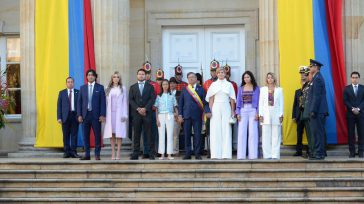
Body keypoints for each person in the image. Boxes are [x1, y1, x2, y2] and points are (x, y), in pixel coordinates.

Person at [178, 72, 211, 160]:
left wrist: (207, 111)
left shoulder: (202, 90)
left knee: (197, 135)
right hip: (186, 115)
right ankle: (187, 153)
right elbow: (180, 103)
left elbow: (205, 103)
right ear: (187, 79)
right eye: (189, 77)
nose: (191, 79)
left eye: (193, 77)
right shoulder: (185, 90)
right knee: (187, 135)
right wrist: (180, 115)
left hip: (197, 116)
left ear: (196, 79)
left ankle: (197, 153)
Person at [206, 68, 236, 159]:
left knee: (226, 129)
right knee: (215, 130)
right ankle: (215, 154)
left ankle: (226, 154)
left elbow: (232, 99)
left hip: (226, 106)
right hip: (216, 107)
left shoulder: (229, 85)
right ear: (217, 74)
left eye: (222, 72)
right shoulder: (213, 85)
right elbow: (211, 99)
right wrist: (210, 111)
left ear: (225, 73)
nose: (220, 74)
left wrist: (232, 111)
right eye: (219, 72)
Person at [77, 69, 106, 160]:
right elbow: (79, 103)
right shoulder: (82, 88)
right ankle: (87, 154)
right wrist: (79, 115)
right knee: (85, 136)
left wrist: (102, 114)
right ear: (86, 77)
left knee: (97, 136)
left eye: (92, 75)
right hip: (85, 116)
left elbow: (103, 102)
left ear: (95, 77)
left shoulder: (100, 87)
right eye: (89, 75)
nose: (90, 76)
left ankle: (97, 154)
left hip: (96, 116)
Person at [129, 68, 156, 160]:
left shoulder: (150, 87)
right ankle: (135, 153)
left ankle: (151, 153)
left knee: (149, 134)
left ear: (145, 76)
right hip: (136, 114)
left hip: (147, 113)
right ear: (137, 75)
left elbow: (152, 99)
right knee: (136, 134)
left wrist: (145, 108)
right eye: (139, 74)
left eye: (143, 74)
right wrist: (138, 108)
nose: (141, 75)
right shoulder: (132, 87)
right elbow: (131, 100)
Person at [103, 71, 128, 160]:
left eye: (117, 77)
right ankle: (113, 152)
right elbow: (105, 103)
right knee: (112, 133)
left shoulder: (123, 88)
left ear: (119, 79)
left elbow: (125, 102)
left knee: (119, 133)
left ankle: (118, 153)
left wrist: (125, 114)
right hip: (110, 113)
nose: (116, 78)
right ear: (112, 79)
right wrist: (104, 115)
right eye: (114, 77)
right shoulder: (107, 88)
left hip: (119, 113)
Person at [259, 73, 284, 160]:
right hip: (265, 114)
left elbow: (281, 103)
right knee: (266, 135)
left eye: (271, 77)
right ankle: (267, 155)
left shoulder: (279, 90)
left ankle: (275, 155)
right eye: (268, 78)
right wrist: (260, 114)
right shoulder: (262, 89)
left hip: (276, 113)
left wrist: (281, 114)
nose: (270, 79)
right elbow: (261, 103)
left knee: (276, 135)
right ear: (266, 79)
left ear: (274, 79)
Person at [236, 71, 260, 159]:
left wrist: (258, 112)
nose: (246, 79)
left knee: (253, 132)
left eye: (248, 77)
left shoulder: (256, 88)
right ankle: (241, 155)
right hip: (243, 110)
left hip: (253, 110)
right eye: (244, 77)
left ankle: (253, 155)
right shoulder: (241, 88)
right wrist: (237, 113)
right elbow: (238, 101)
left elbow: (259, 101)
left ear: (251, 78)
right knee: (242, 132)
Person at [307, 59, 328, 160]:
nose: (310, 68)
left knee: (317, 132)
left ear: (316, 68)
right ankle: (320, 152)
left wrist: (313, 110)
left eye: (311, 66)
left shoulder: (318, 79)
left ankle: (319, 153)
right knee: (317, 132)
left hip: (318, 111)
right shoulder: (316, 78)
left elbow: (317, 96)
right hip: (318, 110)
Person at [57, 77, 80, 158]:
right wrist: (59, 117)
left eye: (71, 82)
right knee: (66, 135)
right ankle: (66, 152)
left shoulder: (78, 92)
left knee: (74, 135)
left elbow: (80, 105)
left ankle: (73, 151)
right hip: (65, 117)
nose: (70, 83)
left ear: (74, 83)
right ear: (66, 83)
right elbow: (59, 106)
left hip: (75, 116)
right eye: (68, 82)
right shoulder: (61, 93)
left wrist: (80, 116)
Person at [155, 79, 178, 160]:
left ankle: (169, 154)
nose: (165, 86)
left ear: (168, 86)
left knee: (170, 134)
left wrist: (177, 115)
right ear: (162, 86)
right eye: (163, 84)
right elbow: (156, 108)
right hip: (161, 116)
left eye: (166, 84)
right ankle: (162, 154)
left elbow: (175, 106)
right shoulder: (158, 96)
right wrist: (157, 119)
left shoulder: (172, 95)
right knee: (161, 135)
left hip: (170, 115)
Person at [343, 71, 364, 158]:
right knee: (351, 133)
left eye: (356, 77)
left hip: (361, 113)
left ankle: (361, 151)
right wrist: (352, 108)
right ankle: (352, 152)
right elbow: (345, 101)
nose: (354, 79)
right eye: (353, 77)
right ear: (351, 78)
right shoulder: (346, 88)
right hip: (350, 114)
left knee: (361, 133)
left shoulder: (363, 88)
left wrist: (358, 109)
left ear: (358, 78)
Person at [142, 61, 159, 158]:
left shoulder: (155, 84)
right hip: (144, 112)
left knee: (153, 132)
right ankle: (145, 151)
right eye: (145, 74)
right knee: (145, 132)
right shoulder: (140, 84)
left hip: (152, 111)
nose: (147, 76)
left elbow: (157, 98)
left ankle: (153, 150)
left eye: (148, 74)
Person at [203, 59, 219, 158]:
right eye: (212, 71)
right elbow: (205, 99)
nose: (213, 73)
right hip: (209, 109)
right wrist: (207, 111)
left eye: (215, 71)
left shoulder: (223, 82)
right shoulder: (206, 83)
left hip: (220, 108)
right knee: (209, 132)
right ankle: (210, 150)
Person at [292, 66, 310, 157]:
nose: (302, 78)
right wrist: (293, 116)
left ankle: (310, 150)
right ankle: (298, 151)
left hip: (307, 115)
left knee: (309, 134)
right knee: (299, 134)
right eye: (301, 77)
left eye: (304, 77)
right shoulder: (297, 91)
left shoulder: (310, 89)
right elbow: (295, 105)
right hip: (299, 116)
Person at [170, 77, 181, 156]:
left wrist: (178, 114)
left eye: (174, 83)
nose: (172, 85)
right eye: (171, 83)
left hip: (176, 116)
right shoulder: (166, 93)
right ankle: (169, 151)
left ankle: (175, 151)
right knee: (168, 134)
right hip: (168, 116)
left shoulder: (180, 93)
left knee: (175, 135)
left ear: (176, 84)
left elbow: (181, 105)